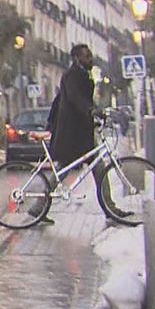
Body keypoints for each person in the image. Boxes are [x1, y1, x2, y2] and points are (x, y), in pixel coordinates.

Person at [39, 44, 99, 223]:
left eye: (90, 55)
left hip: (80, 133)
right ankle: (38, 206)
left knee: (97, 167)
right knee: (63, 171)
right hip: (73, 134)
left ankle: (110, 206)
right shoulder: (72, 75)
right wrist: (91, 110)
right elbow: (74, 98)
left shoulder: (80, 75)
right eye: (86, 56)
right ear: (76, 58)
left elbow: (59, 99)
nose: (90, 59)